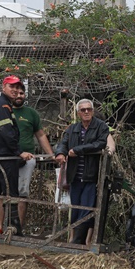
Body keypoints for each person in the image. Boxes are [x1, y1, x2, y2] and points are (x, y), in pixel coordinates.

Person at [0, 81, 53, 234]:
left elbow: (39, 134)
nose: (15, 91)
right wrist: (18, 152)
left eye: (18, 88)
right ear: (3, 88)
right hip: (6, 156)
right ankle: (14, 227)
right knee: (11, 191)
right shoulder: (3, 106)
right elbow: (6, 132)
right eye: (12, 87)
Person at [54, 99, 110, 245]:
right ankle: (76, 240)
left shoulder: (101, 127)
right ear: (78, 113)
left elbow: (100, 143)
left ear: (92, 110)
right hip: (74, 175)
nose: (86, 112)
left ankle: (79, 240)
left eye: (89, 109)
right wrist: (60, 153)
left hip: (91, 175)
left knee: (86, 207)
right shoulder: (73, 129)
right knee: (76, 207)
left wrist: (78, 150)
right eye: (83, 110)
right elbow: (63, 143)